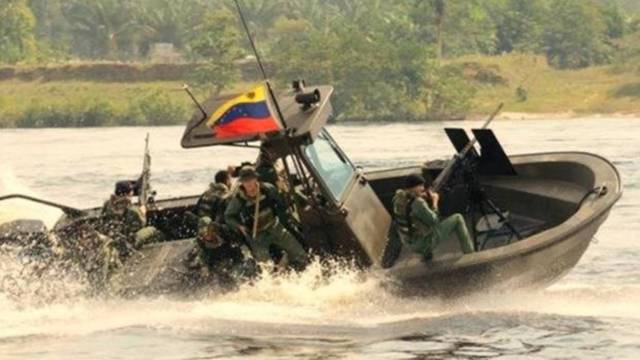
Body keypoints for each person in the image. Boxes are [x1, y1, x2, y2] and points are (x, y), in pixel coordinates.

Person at [225, 166, 308, 270]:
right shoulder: (239, 199)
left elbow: (280, 205)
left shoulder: (268, 189)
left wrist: (288, 221)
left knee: (299, 254)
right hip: (257, 235)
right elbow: (228, 216)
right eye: (245, 181)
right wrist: (239, 227)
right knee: (266, 268)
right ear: (242, 182)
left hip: (275, 226)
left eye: (250, 179)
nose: (248, 183)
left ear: (256, 178)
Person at [392, 174, 474, 261]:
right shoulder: (418, 203)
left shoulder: (397, 198)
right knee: (458, 218)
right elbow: (434, 221)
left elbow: (410, 207)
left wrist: (420, 196)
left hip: (408, 242)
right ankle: (471, 256)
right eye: (420, 186)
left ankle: (427, 260)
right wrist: (435, 201)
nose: (423, 188)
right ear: (413, 187)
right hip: (422, 243)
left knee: (420, 225)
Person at [101, 180, 164, 253]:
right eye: (131, 191)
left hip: (110, 239)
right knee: (152, 229)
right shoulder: (132, 210)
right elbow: (142, 224)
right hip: (127, 243)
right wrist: (143, 212)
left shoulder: (107, 204)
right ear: (129, 193)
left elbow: (103, 218)